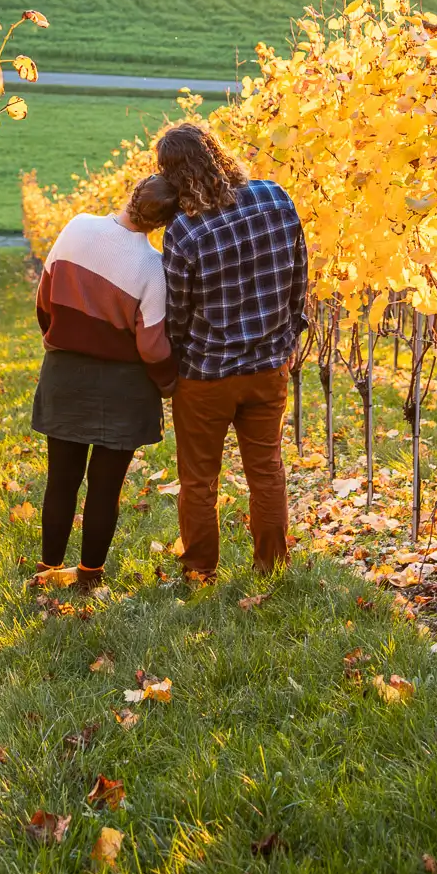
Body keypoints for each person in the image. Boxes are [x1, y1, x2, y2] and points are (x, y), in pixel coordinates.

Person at [157, 123, 307, 580]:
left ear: (173, 177)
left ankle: (201, 570)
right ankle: (271, 566)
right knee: (267, 470)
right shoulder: (276, 199)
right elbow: (300, 277)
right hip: (267, 366)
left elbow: (176, 314)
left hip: (206, 376)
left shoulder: (184, 231)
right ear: (219, 154)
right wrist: (288, 336)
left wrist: (174, 363)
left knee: (199, 479)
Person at [31, 174, 179, 591]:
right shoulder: (152, 267)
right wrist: (169, 383)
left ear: (133, 193)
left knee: (61, 478)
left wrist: (57, 339)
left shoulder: (77, 227)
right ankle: (90, 577)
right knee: (105, 486)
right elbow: (151, 345)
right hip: (124, 389)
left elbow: (44, 298)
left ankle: (47, 571)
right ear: (165, 223)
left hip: (66, 376)